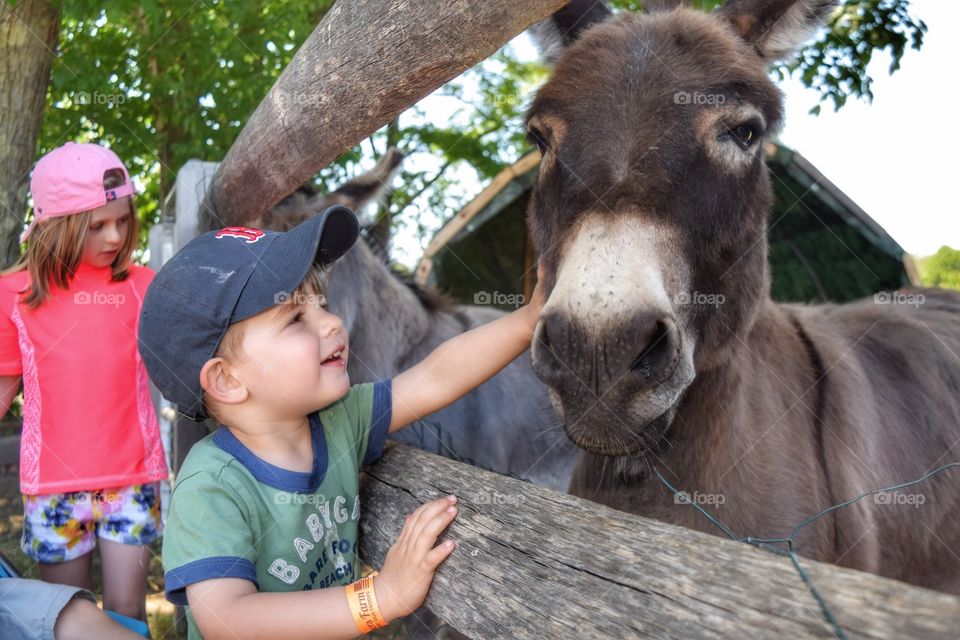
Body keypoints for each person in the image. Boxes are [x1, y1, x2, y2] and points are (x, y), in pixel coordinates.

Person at [138, 207, 544, 639]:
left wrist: (526, 321)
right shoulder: (211, 486)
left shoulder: (341, 420)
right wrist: (380, 598)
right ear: (226, 379)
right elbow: (228, 619)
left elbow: (437, 376)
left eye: (323, 304)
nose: (332, 322)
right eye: (296, 318)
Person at [0, 142, 167, 623]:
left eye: (122, 219)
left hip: (132, 479)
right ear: (55, 225)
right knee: (68, 616)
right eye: (97, 226)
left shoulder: (143, 285)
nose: (115, 235)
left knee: (127, 610)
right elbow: (6, 385)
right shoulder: (16, 294)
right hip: (53, 487)